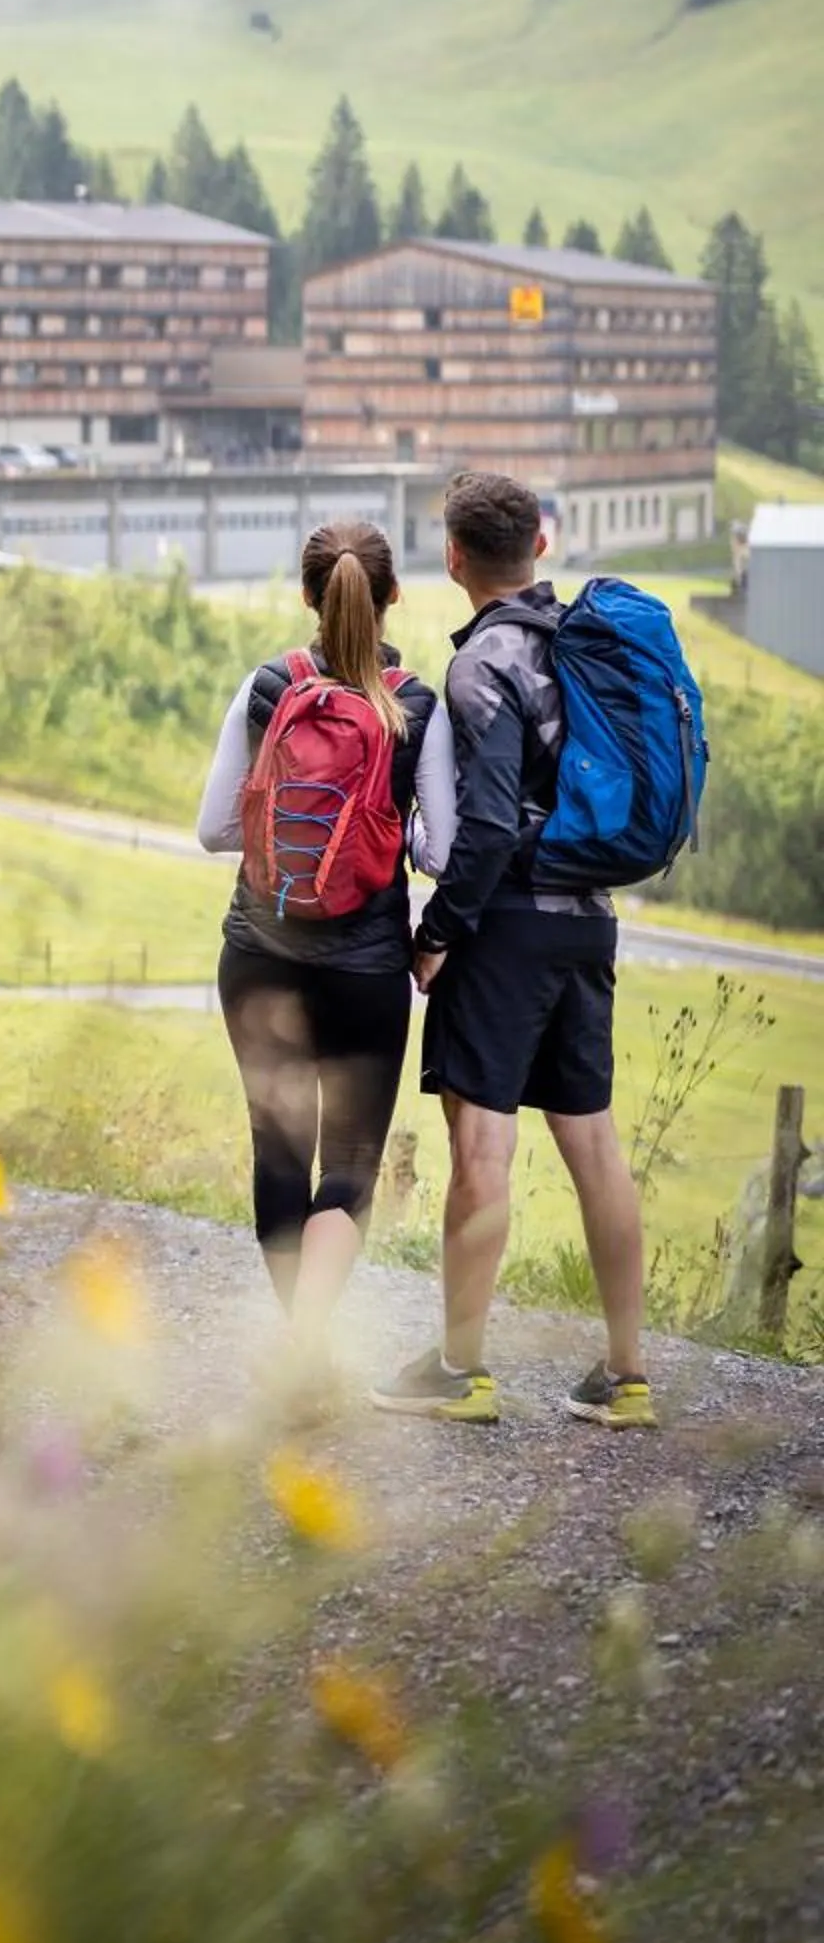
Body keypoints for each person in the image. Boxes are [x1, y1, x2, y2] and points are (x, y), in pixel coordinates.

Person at [371, 470, 655, 1430]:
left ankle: (460, 1369)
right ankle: (627, 1376)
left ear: (454, 558)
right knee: (595, 1144)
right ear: (540, 543)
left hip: (509, 930)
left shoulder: (483, 663)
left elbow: (489, 825)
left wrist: (437, 934)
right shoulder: (588, 646)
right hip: (589, 920)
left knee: (482, 1145)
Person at [197, 521, 455, 1370]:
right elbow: (442, 854)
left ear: (309, 595)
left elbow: (213, 829)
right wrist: (388, 831)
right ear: (392, 597)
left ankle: (297, 1348)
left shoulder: (268, 686)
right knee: (349, 1163)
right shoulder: (415, 706)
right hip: (364, 968)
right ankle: (308, 1342)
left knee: (278, 1152)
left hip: (257, 955)